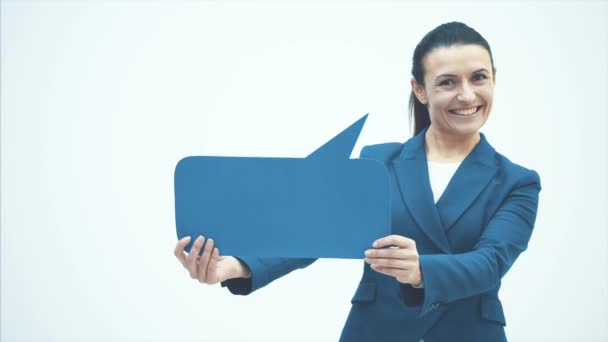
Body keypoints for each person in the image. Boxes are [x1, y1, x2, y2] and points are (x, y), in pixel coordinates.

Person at [174, 21, 541, 342]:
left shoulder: (516, 182)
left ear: (494, 79)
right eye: (447, 82)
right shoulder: (377, 162)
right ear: (420, 90)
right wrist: (236, 265)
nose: (466, 95)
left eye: (479, 77)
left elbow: (490, 263)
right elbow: (316, 231)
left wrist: (420, 271)